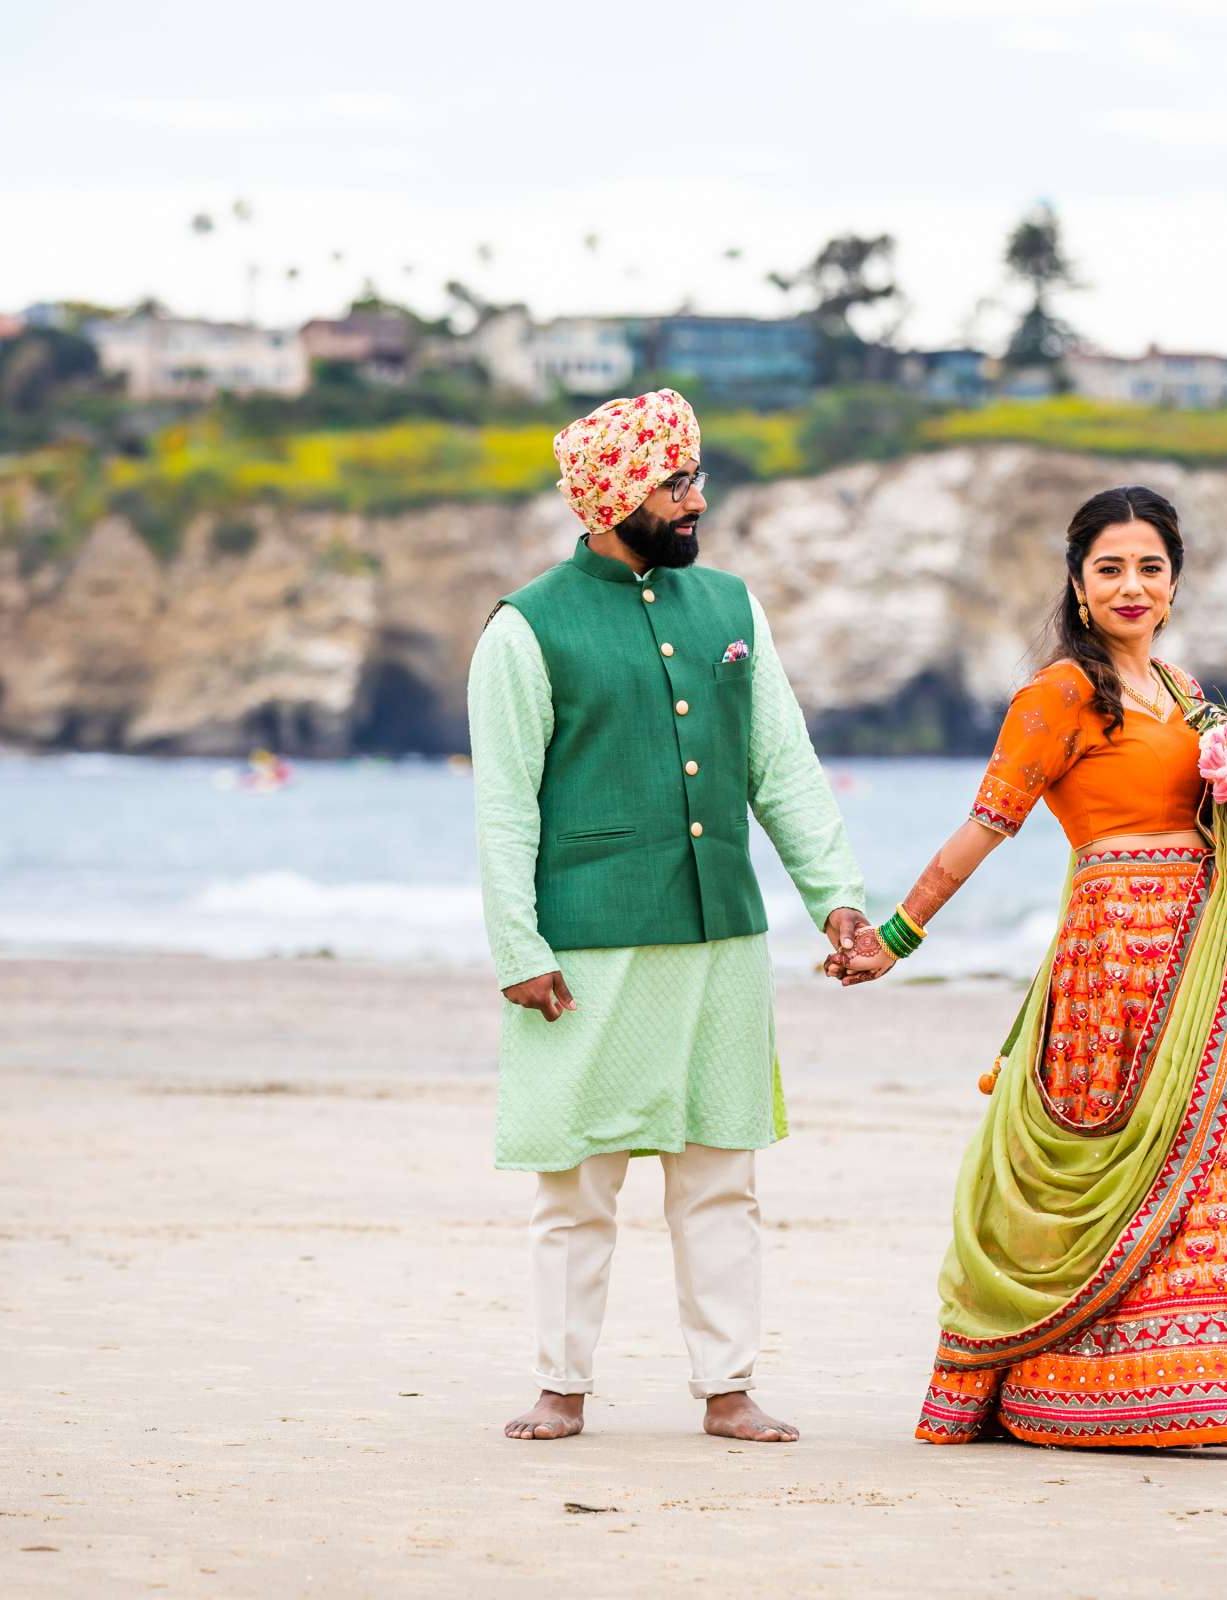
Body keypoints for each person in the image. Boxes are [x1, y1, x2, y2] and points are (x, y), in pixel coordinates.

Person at [840, 485, 1227, 1449]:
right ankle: (1076, 1389)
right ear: (1077, 582)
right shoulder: (1059, 694)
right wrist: (897, 936)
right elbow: (987, 825)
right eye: (1110, 568)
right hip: (1113, 961)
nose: (1132, 585)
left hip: (1211, 954)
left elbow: (1223, 821)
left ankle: (1197, 1383)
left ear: (1177, 581)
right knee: (1110, 1158)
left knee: (1210, 1159)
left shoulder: (1192, 696)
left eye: (1151, 567)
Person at [467, 388, 870, 1445]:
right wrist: (518, 946)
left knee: (721, 1178)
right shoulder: (524, 629)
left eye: (694, 479)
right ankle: (561, 1386)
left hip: (721, 939)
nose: (696, 500)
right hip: (584, 948)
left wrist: (839, 903)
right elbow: (504, 802)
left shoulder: (731, 609)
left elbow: (782, 767)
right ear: (609, 497)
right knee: (576, 1183)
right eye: (675, 483)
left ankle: (728, 1387)